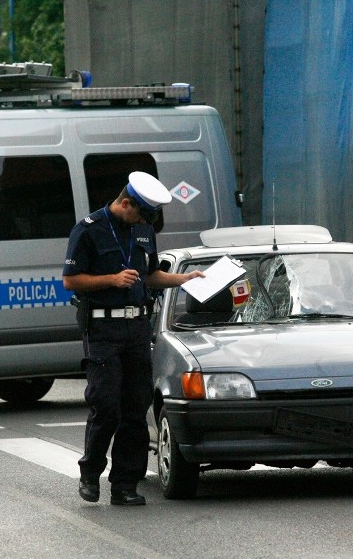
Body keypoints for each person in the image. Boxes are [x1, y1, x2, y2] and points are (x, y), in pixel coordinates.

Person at [62, 171, 204, 506]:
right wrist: (111, 279)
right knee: (106, 406)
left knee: (136, 408)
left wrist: (186, 278)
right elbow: (71, 280)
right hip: (104, 331)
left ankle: (125, 484)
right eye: (139, 214)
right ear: (125, 203)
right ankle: (90, 471)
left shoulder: (142, 230)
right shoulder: (88, 229)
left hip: (137, 330)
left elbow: (151, 275)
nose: (142, 222)